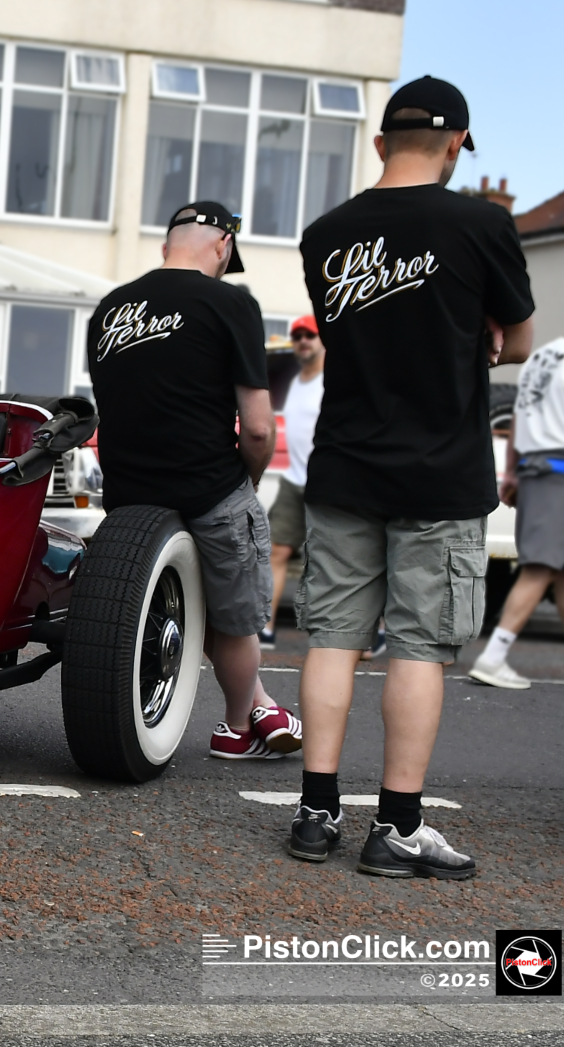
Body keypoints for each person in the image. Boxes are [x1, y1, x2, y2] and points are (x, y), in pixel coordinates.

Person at [289, 77, 534, 877]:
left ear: (380, 142)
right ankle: (396, 828)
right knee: (419, 648)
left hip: (346, 463)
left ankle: (315, 814)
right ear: (459, 144)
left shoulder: (326, 233)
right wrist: (483, 331)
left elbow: (355, 335)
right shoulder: (483, 224)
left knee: (331, 638)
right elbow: (522, 341)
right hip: (441, 469)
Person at [89, 200, 301, 761]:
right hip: (208, 484)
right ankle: (236, 726)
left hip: (131, 493)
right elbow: (257, 428)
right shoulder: (232, 301)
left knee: (183, 603)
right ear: (223, 247)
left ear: (166, 247)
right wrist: (245, 484)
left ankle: (262, 706)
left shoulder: (110, 308)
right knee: (235, 620)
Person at [469, 335, 564, 688]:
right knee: (541, 567)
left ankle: (495, 655)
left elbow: (521, 416)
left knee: (556, 567)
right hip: (559, 469)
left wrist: (512, 471)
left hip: (537, 467)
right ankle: (493, 657)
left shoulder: (544, 357)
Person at [263, 314, 325, 648]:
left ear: (323, 340)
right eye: (298, 335)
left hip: (327, 485)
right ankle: (266, 629)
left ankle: (370, 634)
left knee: (342, 561)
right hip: (294, 481)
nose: (302, 341)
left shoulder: (333, 380)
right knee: (275, 551)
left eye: (309, 335)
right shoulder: (297, 380)